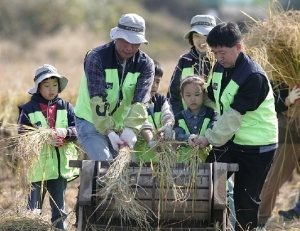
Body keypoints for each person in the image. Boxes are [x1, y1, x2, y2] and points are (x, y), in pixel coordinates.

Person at [196, 22, 278, 231]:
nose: (219, 57)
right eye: (215, 52)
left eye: (222, 52)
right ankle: (215, 227)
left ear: (238, 47)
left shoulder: (253, 77)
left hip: (257, 146)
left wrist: (209, 138)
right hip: (230, 139)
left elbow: (233, 117)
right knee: (207, 182)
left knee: (245, 199)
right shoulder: (219, 68)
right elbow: (213, 98)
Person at [74, 13, 154, 161]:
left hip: (120, 124)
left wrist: (130, 128)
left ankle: (91, 184)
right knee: (105, 162)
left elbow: (141, 101)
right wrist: (109, 132)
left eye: (135, 43)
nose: (129, 47)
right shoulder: (96, 57)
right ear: (117, 37)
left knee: (126, 167)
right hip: (90, 120)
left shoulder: (146, 65)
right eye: (125, 41)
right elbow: (97, 98)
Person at [18, 64, 79, 230]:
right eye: (46, 85)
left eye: (54, 85)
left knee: (59, 209)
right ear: (38, 87)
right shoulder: (28, 109)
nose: (51, 89)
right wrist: (43, 138)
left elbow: (78, 131)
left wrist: (64, 132)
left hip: (59, 168)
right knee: (33, 209)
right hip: (37, 169)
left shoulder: (66, 107)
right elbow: (22, 136)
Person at [258, 83, 300, 224]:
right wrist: (287, 100)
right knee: (273, 180)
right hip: (289, 133)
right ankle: (260, 219)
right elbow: (268, 103)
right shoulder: (279, 69)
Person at [167, 14, 216, 117]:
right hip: (186, 123)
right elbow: (173, 95)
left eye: (206, 36)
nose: (202, 40)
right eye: (197, 36)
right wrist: (180, 119)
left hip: (215, 123)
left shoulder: (221, 61)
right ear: (191, 38)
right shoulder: (184, 61)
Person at [134, 60, 174, 162]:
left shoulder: (160, 100)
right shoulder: (135, 101)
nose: (154, 86)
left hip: (160, 160)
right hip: (140, 160)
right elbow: (143, 124)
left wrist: (168, 126)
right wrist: (152, 141)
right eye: (151, 81)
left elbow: (167, 115)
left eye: (157, 81)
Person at [173, 75, 218, 162]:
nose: (193, 99)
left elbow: (214, 128)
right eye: (188, 95)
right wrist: (189, 138)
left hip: (207, 160)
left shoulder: (211, 113)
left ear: (204, 95)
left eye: (197, 95)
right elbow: (178, 135)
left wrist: (205, 138)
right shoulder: (179, 117)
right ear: (183, 96)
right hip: (185, 163)